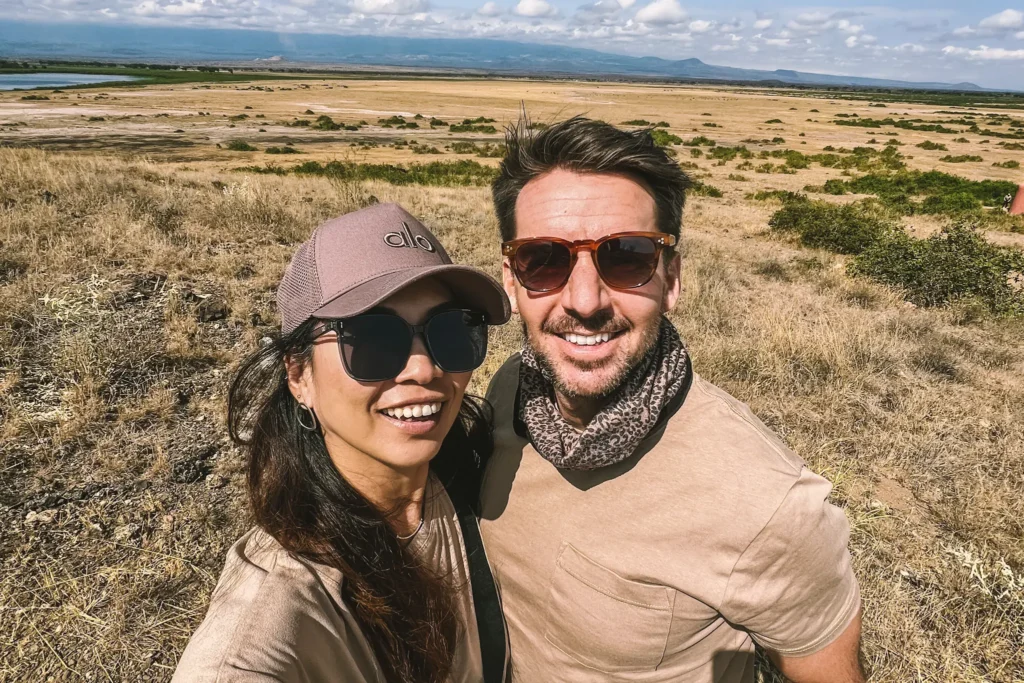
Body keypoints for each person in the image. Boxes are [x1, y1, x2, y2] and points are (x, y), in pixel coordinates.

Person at [479, 117, 865, 683]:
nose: (584, 300)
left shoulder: (768, 505)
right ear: (511, 283)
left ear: (672, 279)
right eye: (544, 260)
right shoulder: (511, 386)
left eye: (627, 256)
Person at [173, 203, 510, 683]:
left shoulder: (476, 473)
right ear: (298, 375)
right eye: (372, 340)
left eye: (452, 331)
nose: (424, 369)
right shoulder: (280, 606)